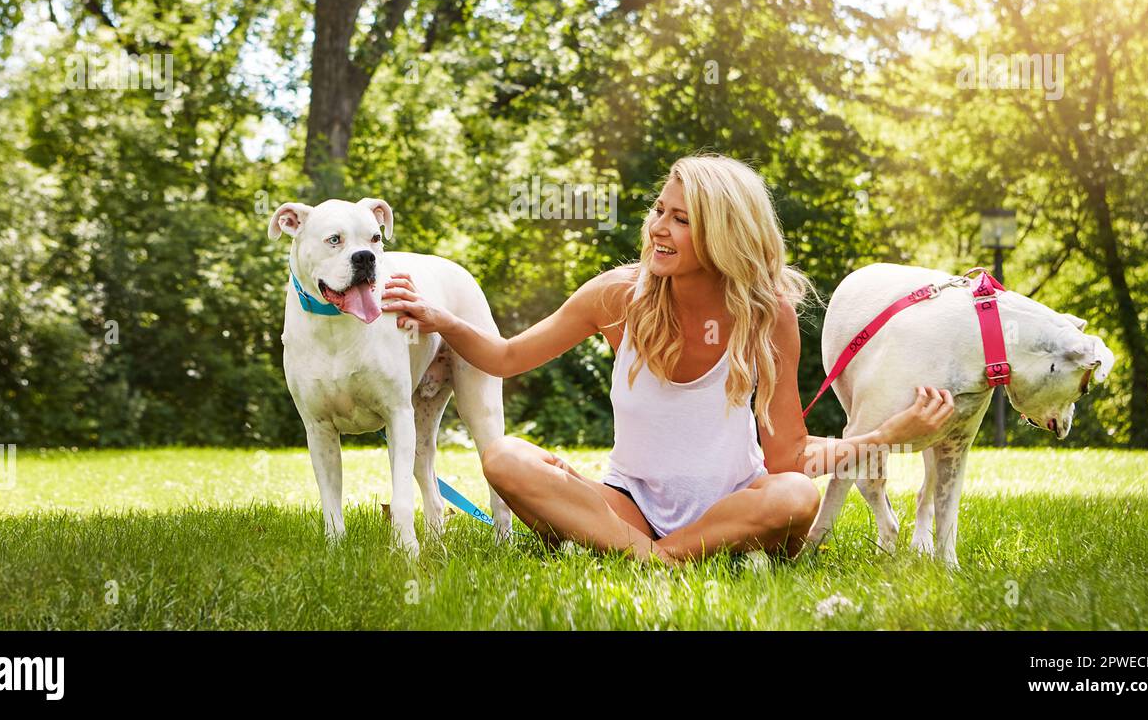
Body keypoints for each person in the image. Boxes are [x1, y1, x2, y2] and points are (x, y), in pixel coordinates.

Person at [380, 154, 954, 566]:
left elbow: (789, 457)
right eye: (660, 210)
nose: (659, 227)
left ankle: (645, 556)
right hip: (628, 507)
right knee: (505, 457)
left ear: (724, 234)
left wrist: (886, 435)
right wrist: (442, 319)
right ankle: (662, 556)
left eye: (682, 218)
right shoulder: (616, 297)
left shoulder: (767, 314)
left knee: (795, 496)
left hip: (734, 510)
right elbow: (505, 358)